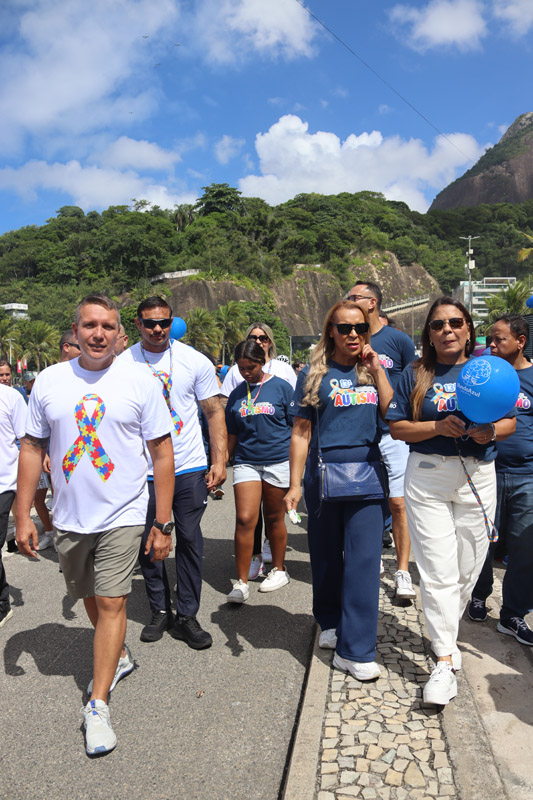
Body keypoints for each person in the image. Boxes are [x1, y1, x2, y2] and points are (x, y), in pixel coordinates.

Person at [16, 294, 174, 755]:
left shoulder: (139, 380)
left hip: (123, 510)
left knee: (110, 600)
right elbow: (30, 447)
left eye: (107, 326)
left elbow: (162, 452)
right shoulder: (49, 381)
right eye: (89, 326)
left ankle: (98, 703)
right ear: (77, 329)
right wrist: (24, 512)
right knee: (85, 593)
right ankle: (119, 654)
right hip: (69, 515)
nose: (98, 334)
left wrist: (161, 522)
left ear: (119, 331)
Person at [387, 297, 516, 706]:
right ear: (429, 332)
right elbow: (397, 428)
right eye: (438, 324)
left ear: (468, 328)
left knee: (468, 567)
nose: (447, 330)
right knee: (439, 570)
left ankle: (445, 629)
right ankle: (443, 658)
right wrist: (437, 425)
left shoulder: (490, 370)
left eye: (456, 322)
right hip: (427, 476)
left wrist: (489, 432)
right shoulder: (415, 373)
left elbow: (510, 420)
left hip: (478, 475)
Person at [285, 300, 392, 680]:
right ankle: (329, 620)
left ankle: (356, 650)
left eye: (360, 329)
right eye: (344, 328)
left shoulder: (371, 369)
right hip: (323, 474)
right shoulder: (314, 375)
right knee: (327, 557)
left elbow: (389, 411)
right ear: (330, 330)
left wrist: (376, 369)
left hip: (367, 473)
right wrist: (294, 484)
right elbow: (301, 432)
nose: (353, 335)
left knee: (364, 564)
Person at [120, 296, 227, 648]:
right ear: (137, 324)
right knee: (150, 542)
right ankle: (159, 610)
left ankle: (186, 614)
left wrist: (219, 459)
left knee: (191, 542)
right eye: (149, 323)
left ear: (172, 322)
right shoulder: (122, 364)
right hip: (142, 471)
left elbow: (213, 412)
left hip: (189, 466)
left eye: (163, 322)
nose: (157, 329)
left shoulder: (193, 360)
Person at [348, 281, 416, 599]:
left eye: (354, 298)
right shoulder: (348, 339)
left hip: (393, 433)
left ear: (372, 303)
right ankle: (371, 560)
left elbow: (414, 381)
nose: (348, 302)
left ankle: (402, 571)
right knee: (368, 503)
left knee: (399, 503)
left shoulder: (398, 340)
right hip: (360, 435)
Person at [468, 316, 533, 645]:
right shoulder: (485, 373)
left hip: (527, 477)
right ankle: (478, 596)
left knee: (525, 547)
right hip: (487, 470)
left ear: (520, 341)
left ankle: (513, 615)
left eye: (499, 340)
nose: (491, 345)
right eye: (490, 339)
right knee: (483, 542)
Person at [221, 322, 296, 578]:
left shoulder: (282, 388)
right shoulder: (236, 394)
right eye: (241, 369)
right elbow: (231, 433)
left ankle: (278, 568)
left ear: (261, 362)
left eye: (250, 368)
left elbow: (296, 429)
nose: (245, 373)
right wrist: (221, 464)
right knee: (245, 518)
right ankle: (241, 581)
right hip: (246, 462)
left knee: (274, 518)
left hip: (277, 461)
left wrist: (298, 471)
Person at [0, 381, 27, 626]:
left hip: (4, 483)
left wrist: (23, 511)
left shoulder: (10, 397)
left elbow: (26, 441)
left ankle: (2, 603)